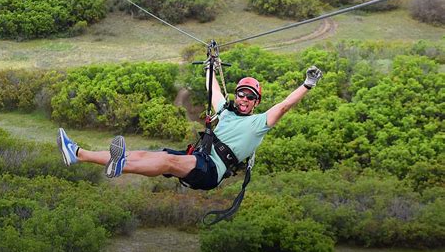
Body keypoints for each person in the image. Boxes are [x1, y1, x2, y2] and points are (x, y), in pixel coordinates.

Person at [57, 65, 323, 190]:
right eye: (241, 94)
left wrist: (307, 84)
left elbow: (285, 105)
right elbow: (213, 88)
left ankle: (119, 165)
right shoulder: (226, 113)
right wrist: (210, 66)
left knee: (167, 161)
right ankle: (78, 154)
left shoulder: (258, 124)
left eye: (250, 97)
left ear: (256, 103)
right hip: (199, 158)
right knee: (147, 154)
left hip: (210, 170)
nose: (243, 99)